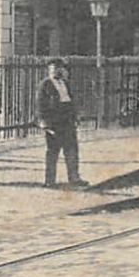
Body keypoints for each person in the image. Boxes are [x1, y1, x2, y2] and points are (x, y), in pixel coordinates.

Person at [38, 58, 87, 188]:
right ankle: (50, 181)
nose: (56, 71)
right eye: (53, 69)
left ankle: (74, 177)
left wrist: (76, 116)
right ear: (49, 70)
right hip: (54, 122)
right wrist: (43, 121)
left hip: (68, 121)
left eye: (58, 69)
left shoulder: (66, 83)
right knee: (53, 151)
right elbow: (40, 104)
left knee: (71, 150)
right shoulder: (45, 84)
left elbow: (71, 100)